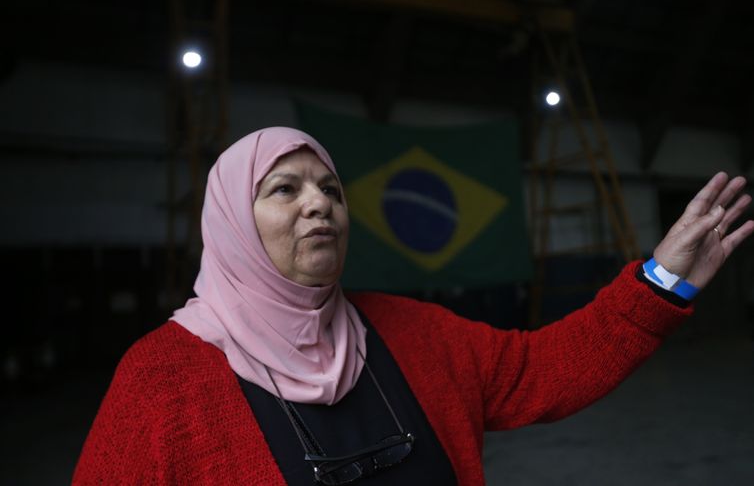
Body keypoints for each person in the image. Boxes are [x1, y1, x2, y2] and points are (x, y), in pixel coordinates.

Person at [72, 127, 754, 485]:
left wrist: (664, 280)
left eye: (332, 190)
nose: (320, 203)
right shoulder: (159, 378)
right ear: (230, 223)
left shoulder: (410, 331)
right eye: (284, 188)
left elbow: (546, 367)